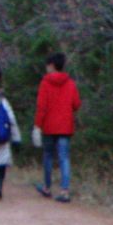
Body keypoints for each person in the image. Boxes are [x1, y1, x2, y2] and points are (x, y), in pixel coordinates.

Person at [32, 50, 81, 202]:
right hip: (65, 126)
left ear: (52, 65)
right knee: (64, 158)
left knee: (48, 156)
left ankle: (47, 188)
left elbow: (41, 107)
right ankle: (64, 190)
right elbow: (76, 104)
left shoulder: (45, 83)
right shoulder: (71, 83)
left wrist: (37, 125)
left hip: (48, 126)